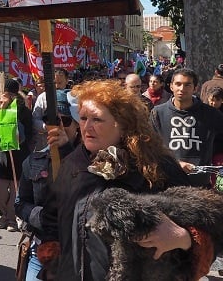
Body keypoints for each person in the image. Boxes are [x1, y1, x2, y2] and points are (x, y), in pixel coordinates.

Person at [39, 80, 200, 280]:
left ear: (122, 123)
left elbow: (205, 222)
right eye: (82, 118)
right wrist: (54, 263)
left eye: (97, 119)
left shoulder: (156, 166)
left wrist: (185, 239)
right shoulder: (72, 164)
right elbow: (51, 218)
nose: (87, 127)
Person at [15, 90, 80, 281]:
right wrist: (40, 216)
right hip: (42, 251)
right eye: (51, 120)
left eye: (65, 121)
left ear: (77, 125)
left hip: (79, 254)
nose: (57, 126)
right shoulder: (33, 161)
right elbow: (20, 203)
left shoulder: (93, 159)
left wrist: (67, 150)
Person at [150, 68, 223, 187]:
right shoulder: (157, 113)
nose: (182, 89)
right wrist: (175, 163)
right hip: (167, 185)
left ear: (195, 88)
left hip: (200, 186)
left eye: (187, 85)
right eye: (178, 84)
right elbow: (151, 148)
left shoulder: (211, 114)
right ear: (171, 86)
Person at [0, 79, 32, 232]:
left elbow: (30, 132)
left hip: (19, 156)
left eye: (8, 94)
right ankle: (4, 214)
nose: (5, 97)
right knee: (0, 192)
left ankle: (12, 219)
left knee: (15, 192)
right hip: (2, 157)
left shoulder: (23, 111)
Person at [32, 68, 69, 151]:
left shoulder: (72, 97)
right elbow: (35, 120)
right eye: (55, 83)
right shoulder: (42, 97)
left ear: (67, 81)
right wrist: (46, 126)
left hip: (68, 145)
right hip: (46, 144)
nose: (57, 86)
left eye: (60, 83)